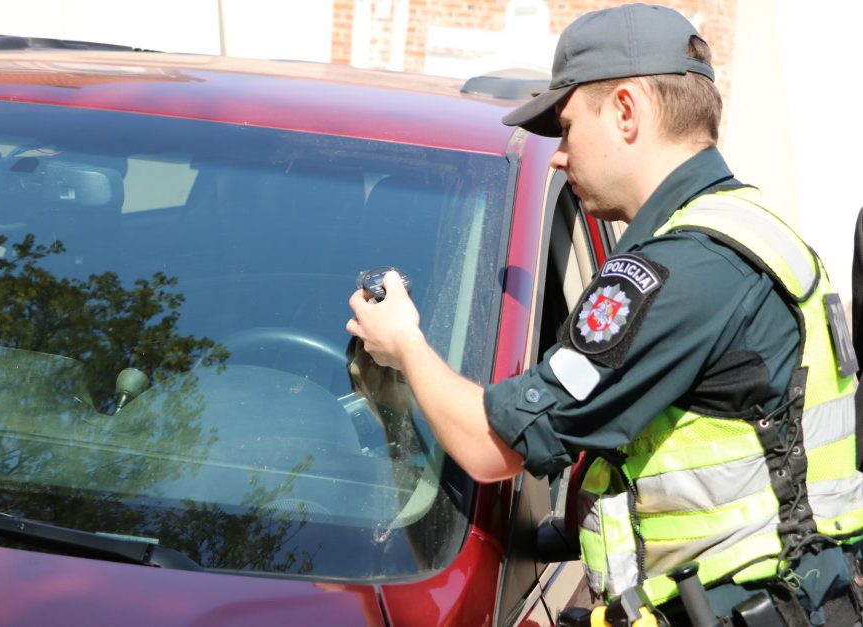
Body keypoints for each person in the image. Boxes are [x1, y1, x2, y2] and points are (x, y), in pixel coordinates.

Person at [346, 3, 863, 625]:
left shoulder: (682, 269)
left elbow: (491, 447)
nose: (560, 155)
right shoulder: (753, 227)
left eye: (565, 126)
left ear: (625, 110)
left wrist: (403, 342)